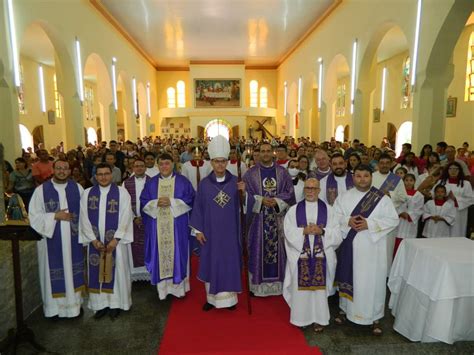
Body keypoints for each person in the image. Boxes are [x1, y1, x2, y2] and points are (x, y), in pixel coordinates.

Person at [333, 164, 399, 335]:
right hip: (350, 249)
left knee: (373, 282)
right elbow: (335, 216)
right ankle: (345, 311)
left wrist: (369, 224)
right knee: (350, 275)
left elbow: (393, 220)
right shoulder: (344, 197)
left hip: (373, 250)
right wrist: (348, 221)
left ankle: (374, 317)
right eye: (358, 176)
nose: (362, 179)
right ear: (353, 177)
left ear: (371, 177)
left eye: (366, 176)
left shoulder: (382, 199)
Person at [189, 135, 253, 310]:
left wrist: (244, 194)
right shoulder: (204, 185)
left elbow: (245, 208)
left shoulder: (236, 182)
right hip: (210, 234)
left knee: (229, 263)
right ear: (211, 162)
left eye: (223, 161)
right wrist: (198, 231)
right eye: (217, 161)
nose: (220, 165)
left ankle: (230, 300)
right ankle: (211, 300)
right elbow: (198, 208)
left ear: (228, 162)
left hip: (231, 233)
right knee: (212, 263)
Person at [283, 178, 342, 332]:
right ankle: (301, 318)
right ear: (304, 189)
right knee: (301, 290)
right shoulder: (294, 210)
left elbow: (337, 234)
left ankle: (319, 319)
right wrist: (303, 231)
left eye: (313, 188)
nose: (310, 191)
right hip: (299, 256)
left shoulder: (329, 210)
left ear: (319, 190)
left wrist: (322, 231)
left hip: (322, 255)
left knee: (318, 291)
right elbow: (287, 232)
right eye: (307, 188)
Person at [29, 159, 85, 319]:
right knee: (51, 273)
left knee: (73, 271)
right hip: (50, 242)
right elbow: (34, 216)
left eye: (65, 169)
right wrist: (55, 216)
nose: (62, 171)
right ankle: (53, 310)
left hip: (73, 240)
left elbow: (86, 213)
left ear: (70, 171)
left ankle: (74, 307)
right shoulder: (41, 191)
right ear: (53, 169)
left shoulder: (77, 188)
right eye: (59, 168)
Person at [79, 163, 134, 319]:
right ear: (95, 176)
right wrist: (93, 240)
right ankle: (100, 305)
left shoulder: (122, 193)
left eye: (106, 173)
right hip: (95, 243)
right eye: (100, 174)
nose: (103, 177)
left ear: (112, 175)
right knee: (96, 273)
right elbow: (84, 219)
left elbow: (126, 216)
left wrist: (116, 239)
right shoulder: (87, 193)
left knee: (118, 273)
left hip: (116, 243)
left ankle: (117, 304)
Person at [243, 142, 295, 297]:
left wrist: (277, 200)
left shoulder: (282, 172)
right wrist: (260, 200)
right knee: (257, 248)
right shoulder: (250, 173)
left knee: (279, 250)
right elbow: (246, 195)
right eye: (262, 151)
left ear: (273, 152)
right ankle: (257, 286)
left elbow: (290, 193)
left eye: (268, 151)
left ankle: (278, 286)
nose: (265, 154)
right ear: (258, 153)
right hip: (258, 221)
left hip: (277, 219)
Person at [141, 153, 195, 299]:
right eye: (161, 164)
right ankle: (163, 290)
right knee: (160, 255)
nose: (164, 166)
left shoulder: (183, 182)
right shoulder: (151, 183)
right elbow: (143, 201)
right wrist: (154, 203)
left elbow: (191, 199)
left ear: (173, 164)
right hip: (158, 227)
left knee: (178, 254)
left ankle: (179, 289)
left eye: (167, 163)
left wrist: (172, 202)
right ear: (158, 165)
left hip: (177, 228)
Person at [123, 158, 151, 281]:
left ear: (145, 167)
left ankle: (150, 272)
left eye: (141, 165)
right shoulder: (126, 183)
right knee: (134, 246)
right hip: (132, 220)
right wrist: (134, 217)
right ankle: (135, 274)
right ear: (132, 168)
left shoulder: (152, 182)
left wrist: (145, 216)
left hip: (149, 219)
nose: (139, 168)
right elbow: (124, 203)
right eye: (136, 166)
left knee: (149, 245)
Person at [436, 162, 473, 238]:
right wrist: (443, 196)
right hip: (443, 211)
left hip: (459, 212)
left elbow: (471, 199)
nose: (453, 171)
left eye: (456, 169)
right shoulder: (441, 182)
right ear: (447, 170)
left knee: (457, 231)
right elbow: (433, 194)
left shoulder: (466, 184)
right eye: (451, 169)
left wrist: (455, 199)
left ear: (460, 171)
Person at [393, 174, 424, 256]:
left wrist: (409, 215)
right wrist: (400, 213)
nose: (408, 182)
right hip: (398, 222)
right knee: (396, 245)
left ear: (414, 182)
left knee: (408, 248)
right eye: (406, 180)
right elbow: (393, 205)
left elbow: (420, 209)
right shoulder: (397, 194)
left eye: (411, 180)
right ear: (403, 182)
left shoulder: (419, 195)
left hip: (410, 223)